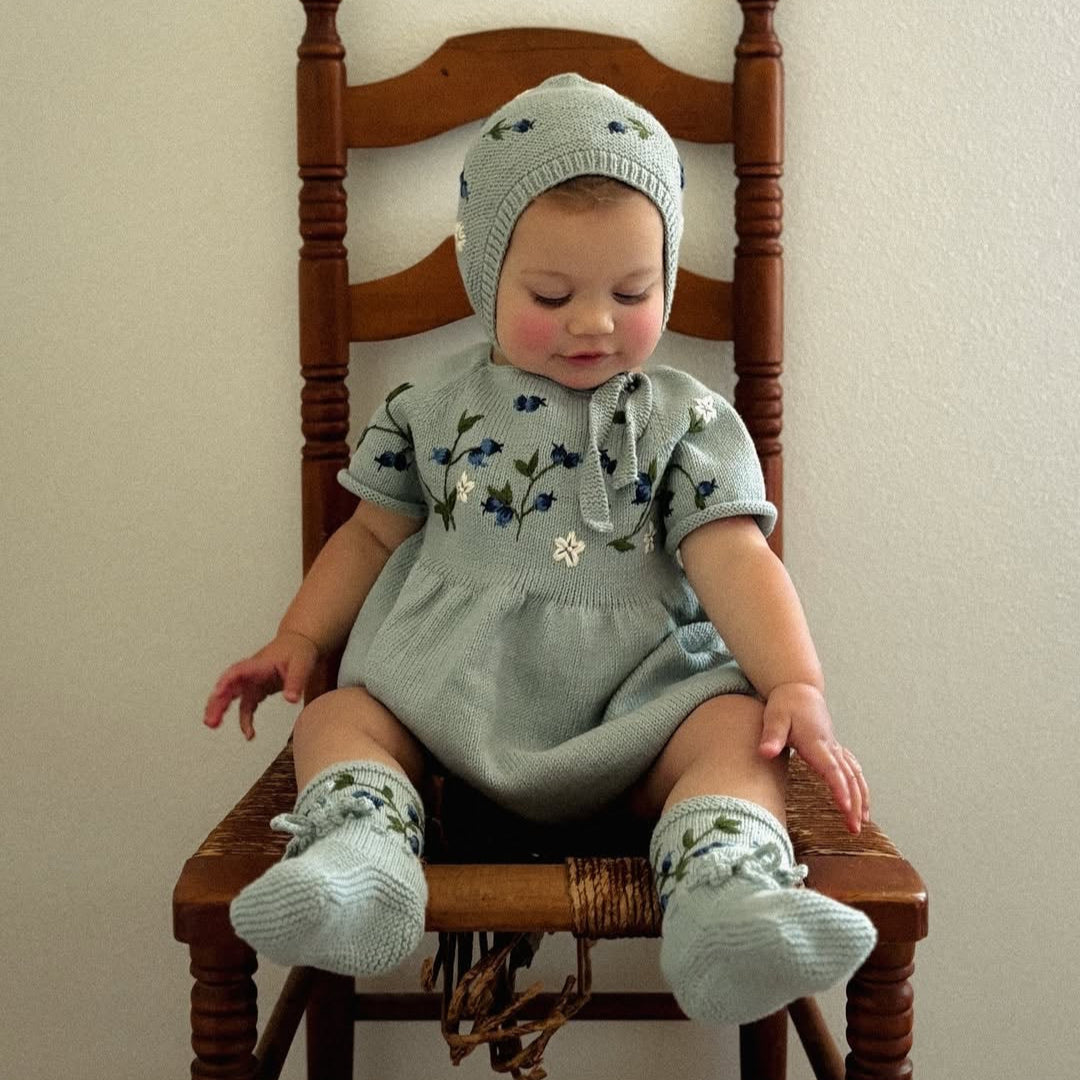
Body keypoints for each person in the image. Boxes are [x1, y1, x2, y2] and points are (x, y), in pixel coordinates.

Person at [204, 74, 876, 1024]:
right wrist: (300, 638)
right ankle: (362, 857)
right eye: (551, 294)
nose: (594, 321)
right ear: (487, 279)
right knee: (339, 715)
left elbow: (736, 560)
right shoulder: (429, 409)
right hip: (443, 719)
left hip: (639, 723)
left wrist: (795, 683)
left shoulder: (686, 421)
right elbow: (369, 533)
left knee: (735, 731)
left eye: (633, 291)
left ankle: (725, 893)